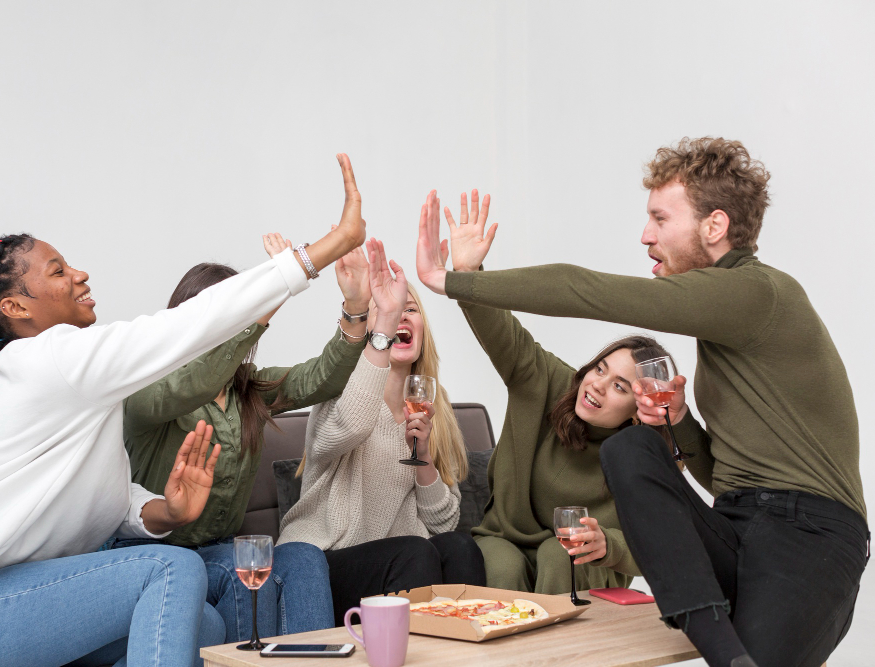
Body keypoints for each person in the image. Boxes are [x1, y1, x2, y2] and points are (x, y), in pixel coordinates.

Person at [0, 154, 366, 667]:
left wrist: (168, 512)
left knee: (204, 626)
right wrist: (327, 247)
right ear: (16, 307)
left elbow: (112, 503)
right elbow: (184, 327)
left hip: (12, 599)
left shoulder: (77, 395)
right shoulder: (47, 358)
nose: (80, 274)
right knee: (171, 569)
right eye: (58, 271)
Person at [415, 138, 868, 667]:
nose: (646, 235)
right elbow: (721, 480)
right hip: (736, 520)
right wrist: (680, 421)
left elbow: (588, 290)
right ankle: (719, 645)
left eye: (660, 218)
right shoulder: (721, 325)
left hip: (809, 532)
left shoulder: (757, 292)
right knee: (630, 449)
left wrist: (452, 281)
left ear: (714, 226)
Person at [119, 233, 374, 642]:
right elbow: (197, 380)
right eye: (229, 314)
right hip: (155, 555)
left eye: (239, 312)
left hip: (224, 548)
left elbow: (322, 379)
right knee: (244, 571)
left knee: (303, 555)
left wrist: (356, 309)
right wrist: (283, 280)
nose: (233, 325)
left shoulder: (248, 389)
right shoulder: (148, 389)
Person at [278, 238, 486, 623]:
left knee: (461, 548)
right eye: (389, 312)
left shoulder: (433, 407)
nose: (401, 317)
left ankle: (466, 650)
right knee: (414, 553)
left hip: (401, 560)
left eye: (411, 310)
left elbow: (442, 522)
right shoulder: (338, 389)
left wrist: (423, 456)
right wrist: (379, 330)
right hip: (322, 563)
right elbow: (350, 426)